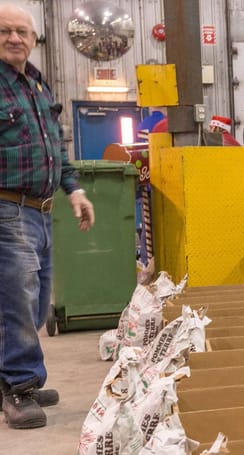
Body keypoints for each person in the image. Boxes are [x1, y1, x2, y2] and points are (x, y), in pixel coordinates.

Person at [0, 3, 95, 429]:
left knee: (35, 298)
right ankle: (17, 387)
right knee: (15, 300)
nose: (14, 38)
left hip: (39, 209)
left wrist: (73, 189)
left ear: (34, 40)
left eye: (22, 32)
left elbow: (55, 144)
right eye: (5, 31)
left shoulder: (36, 85)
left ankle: (20, 375)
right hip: (6, 205)